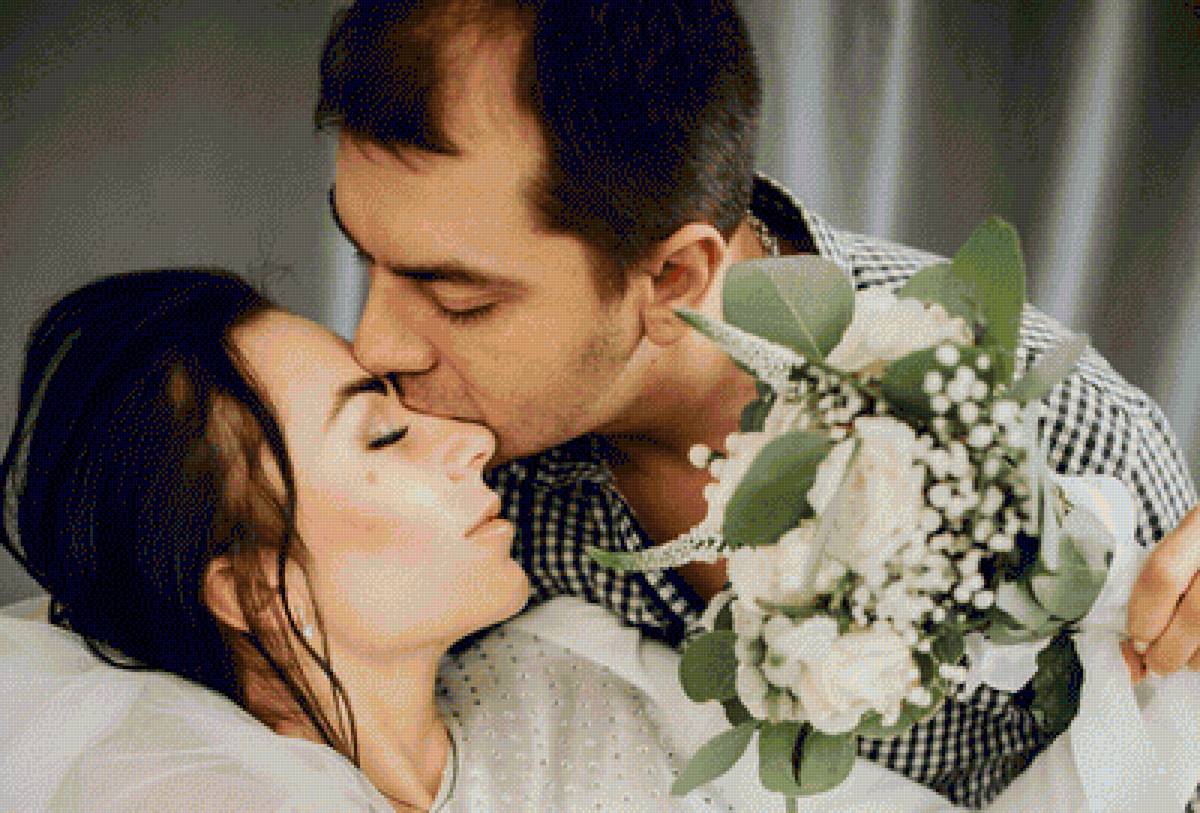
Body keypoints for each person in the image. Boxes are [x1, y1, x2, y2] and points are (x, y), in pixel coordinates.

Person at [315, 1, 1200, 809]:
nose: (373, 344)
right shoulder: (428, 480)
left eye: (458, 299)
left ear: (675, 277)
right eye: (365, 259)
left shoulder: (1070, 441)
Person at [6, 269, 964, 812]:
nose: (467, 440)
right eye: (384, 434)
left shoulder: (576, 690)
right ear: (258, 590)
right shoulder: (173, 786)